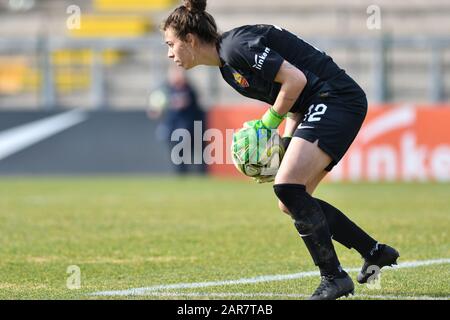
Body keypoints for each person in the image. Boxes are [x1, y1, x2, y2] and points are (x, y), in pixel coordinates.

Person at [162, 0, 399, 300]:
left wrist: (266, 124)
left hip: (336, 98)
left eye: (171, 44)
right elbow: (294, 101)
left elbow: (296, 80)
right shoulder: (228, 68)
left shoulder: (236, 47)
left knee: (287, 186)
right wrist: (284, 146)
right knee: (291, 200)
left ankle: (334, 277)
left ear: (191, 40)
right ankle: (373, 251)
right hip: (320, 103)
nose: (170, 53)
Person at [148, 64, 207, 175]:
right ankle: (182, 179)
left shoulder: (189, 89)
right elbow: (155, 111)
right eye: (174, 73)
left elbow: (186, 103)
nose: (177, 76)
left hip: (192, 130)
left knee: (199, 159)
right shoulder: (165, 90)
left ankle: (202, 178)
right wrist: (156, 110)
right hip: (174, 131)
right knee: (179, 159)